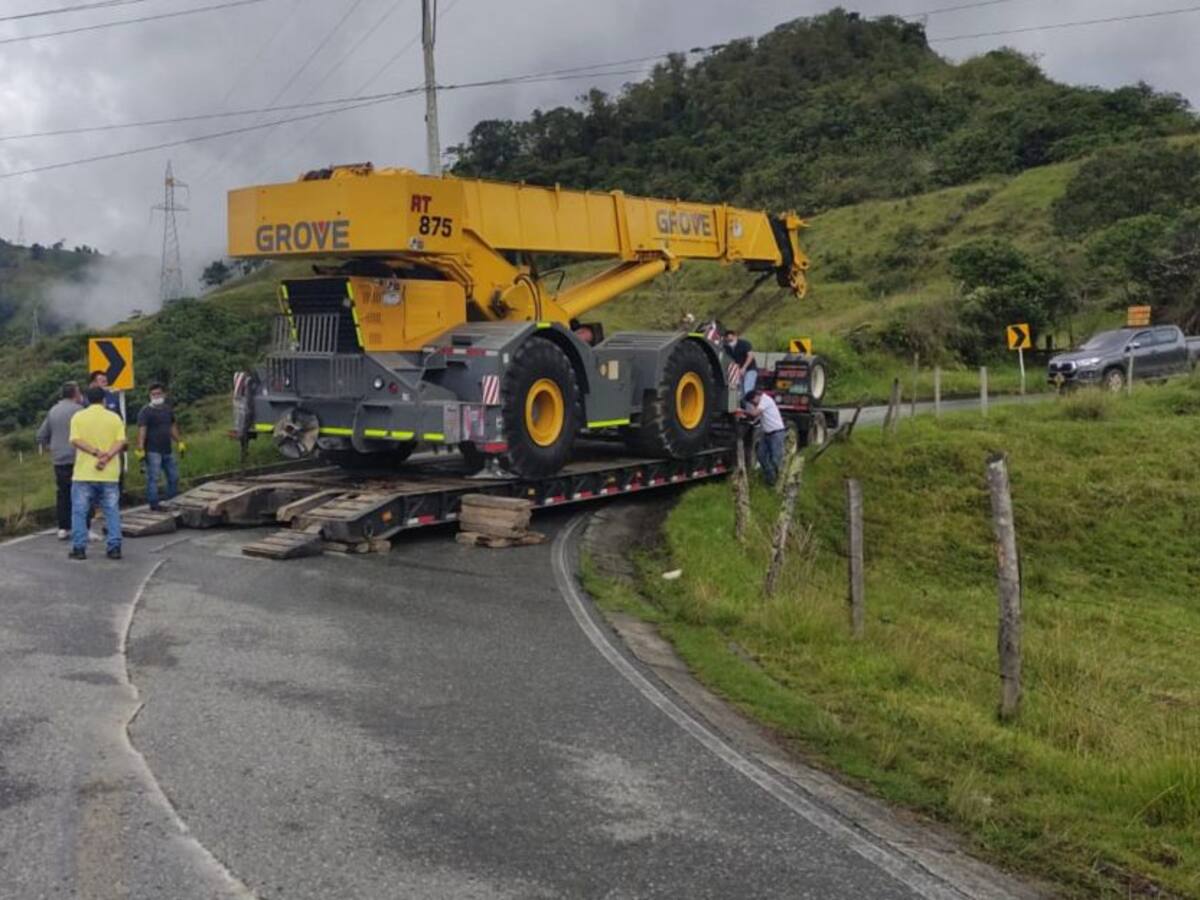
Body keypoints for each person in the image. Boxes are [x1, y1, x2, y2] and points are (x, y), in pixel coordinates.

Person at [68, 385, 127, 560]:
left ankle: (79, 548)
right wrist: (107, 456)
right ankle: (114, 547)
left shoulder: (78, 417)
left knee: (79, 511)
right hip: (109, 474)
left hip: (84, 473)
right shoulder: (114, 418)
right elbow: (121, 441)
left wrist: (96, 453)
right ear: (104, 399)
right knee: (111, 511)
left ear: (86, 399)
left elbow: (75, 440)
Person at [35, 382, 83, 539]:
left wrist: (51, 447)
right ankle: (83, 527)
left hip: (59, 459)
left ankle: (63, 527)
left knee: (63, 493)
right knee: (82, 493)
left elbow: (41, 435)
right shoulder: (79, 410)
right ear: (75, 394)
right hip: (78, 457)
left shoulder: (53, 411)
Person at [136, 383, 186, 511]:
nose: (156, 396)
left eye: (158, 394)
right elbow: (142, 430)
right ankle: (154, 503)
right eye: (153, 394)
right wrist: (141, 448)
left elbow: (172, 427)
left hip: (167, 449)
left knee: (174, 477)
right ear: (149, 396)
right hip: (152, 450)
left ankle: (172, 500)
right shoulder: (145, 411)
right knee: (154, 478)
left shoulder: (167, 410)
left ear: (164, 394)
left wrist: (179, 442)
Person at [743, 388, 787, 486]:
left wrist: (742, 411)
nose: (753, 405)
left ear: (756, 397)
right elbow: (756, 418)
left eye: (752, 402)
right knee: (761, 456)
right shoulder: (761, 404)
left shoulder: (765, 400)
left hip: (776, 433)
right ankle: (770, 479)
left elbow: (755, 413)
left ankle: (780, 480)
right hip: (767, 434)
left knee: (776, 459)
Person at [724, 329, 758, 398]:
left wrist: (744, 368)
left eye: (731, 340)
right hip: (738, 371)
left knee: (747, 389)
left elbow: (750, 356)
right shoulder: (727, 347)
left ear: (735, 337)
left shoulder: (744, 344)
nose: (729, 342)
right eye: (728, 341)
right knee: (739, 391)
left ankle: (749, 405)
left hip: (749, 369)